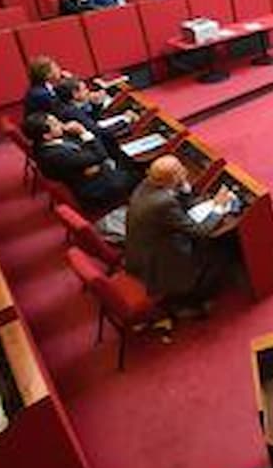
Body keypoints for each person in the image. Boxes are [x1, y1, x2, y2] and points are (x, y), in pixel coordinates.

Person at [124, 155, 234, 317]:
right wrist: (218, 207)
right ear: (173, 178)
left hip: (143, 250)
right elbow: (199, 231)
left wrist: (184, 188)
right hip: (161, 261)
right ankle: (195, 300)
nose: (185, 171)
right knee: (221, 251)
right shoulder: (162, 203)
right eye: (181, 170)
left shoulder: (146, 185)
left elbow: (179, 205)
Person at [23, 112, 137, 213]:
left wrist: (90, 160)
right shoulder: (56, 155)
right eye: (56, 124)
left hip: (93, 174)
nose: (61, 123)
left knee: (120, 153)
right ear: (46, 136)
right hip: (97, 189)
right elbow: (101, 155)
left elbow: (87, 152)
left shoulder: (47, 142)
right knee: (138, 170)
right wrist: (83, 132)